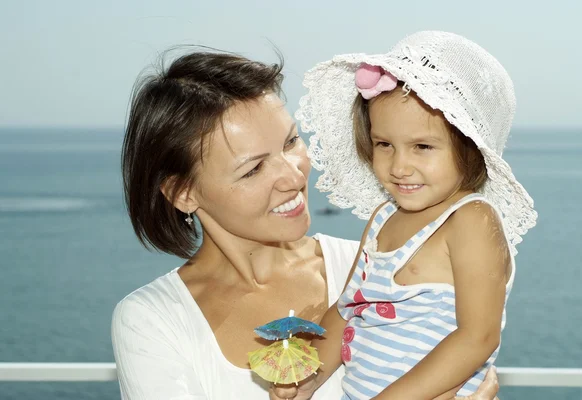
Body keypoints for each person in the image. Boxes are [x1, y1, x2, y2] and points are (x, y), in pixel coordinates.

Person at [111, 48, 502, 400]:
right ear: (183, 193)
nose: (294, 176)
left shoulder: (379, 268)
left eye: (291, 142)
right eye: (253, 169)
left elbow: (470, 344)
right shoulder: (154, 321)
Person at [273, 31, 537, 400]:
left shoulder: (470, 221)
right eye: (384, 144)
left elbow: (477, 337)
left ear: (470, 150)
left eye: (423, 147)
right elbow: (348, 308)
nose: (399, 166)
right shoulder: (383, 217)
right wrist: (310, 376)